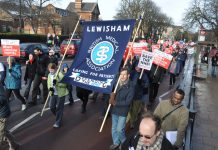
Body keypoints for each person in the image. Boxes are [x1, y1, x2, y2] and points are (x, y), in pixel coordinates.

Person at [109, 67, 135, 150]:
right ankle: (116, 142)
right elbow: (112, 92)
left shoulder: (131, 87)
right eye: (121, 74)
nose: (122, 76)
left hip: (123, 111)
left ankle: (124, 142)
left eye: (124, 74)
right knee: (114, 128)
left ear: (128, 75)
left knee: (120, 129)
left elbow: (127, 102)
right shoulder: (116, 83)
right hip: (114, 110)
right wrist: (112, 95)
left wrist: (115, 103)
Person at [47, 63, 69, 128]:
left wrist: (57, 83)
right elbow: (48, 83)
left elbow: (65, 85)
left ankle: (58, 122)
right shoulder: (49, 75)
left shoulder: (60, 75)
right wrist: (50, 88)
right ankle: (59, 115)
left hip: (61, 94)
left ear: (55, 69)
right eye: (50, 70)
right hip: (53, 94)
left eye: (52, 70)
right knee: (51, 107)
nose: (51, 71)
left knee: (59, 108)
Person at [0, 83, 20, 150]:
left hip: (3, 114)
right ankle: (14, 145)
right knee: (4, 131)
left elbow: (2, 98)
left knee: (1, 133)